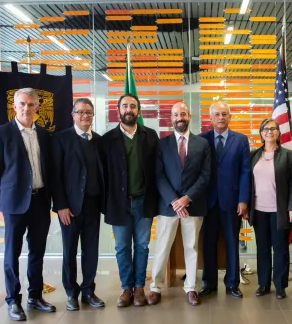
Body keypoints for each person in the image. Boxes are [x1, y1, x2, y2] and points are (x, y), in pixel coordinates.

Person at [0, 87, 56, 321]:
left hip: (40, 201)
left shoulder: (45, 135)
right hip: (14, 205)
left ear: (37, 107)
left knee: (37, 252)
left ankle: (35, 296)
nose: (27, 108)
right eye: (22, 104)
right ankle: (13, 300)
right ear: (15, 107)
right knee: (12, 253)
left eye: (31, 104)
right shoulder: (1, 133)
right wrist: (6, 197)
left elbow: (51, 170)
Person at [148, 102, 211, 306]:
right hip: (168, 206)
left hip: (193, 205)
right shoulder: (162, 144)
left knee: (191, 247)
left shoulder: (202, 144)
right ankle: (155, 286)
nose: (179, 117)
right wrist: (175, 200)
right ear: (171, 118)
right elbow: (158, 175)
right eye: (175, 115)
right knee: (162, 247)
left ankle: (191, 287)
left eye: (182, 113)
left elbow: (205, 175)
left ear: (189, 116)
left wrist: (187, 198)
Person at [101, 93, 159, 307]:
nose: (129, 109)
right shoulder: (107, 140)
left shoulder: (150, 136)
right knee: (122, 247)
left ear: (139, 111)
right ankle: (126, 288)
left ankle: (139, 289)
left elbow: (157, 170)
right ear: (118, 111)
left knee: (142, 246)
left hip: (144, 201)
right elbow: (103, 175)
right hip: (119, 203)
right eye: (125, 106)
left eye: (133, 106)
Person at [52, 98, 106, 311]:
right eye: (80, 112)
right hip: (70, 208)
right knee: (70, 251)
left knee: (91, 251)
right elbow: (55, 176)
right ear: (73, 115)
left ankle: (88, 291)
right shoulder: (61, 140)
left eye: (89, 112)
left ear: (93, 116)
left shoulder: (99, 141)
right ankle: (71, 293)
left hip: (93, 205)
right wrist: (61, 205)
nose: (85, 115)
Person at [199, 102, 250, 299]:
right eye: (217, 114)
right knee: (208, 243)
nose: (221, 117)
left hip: (232, 201)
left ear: (230, 117)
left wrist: (243, 199)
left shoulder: (241, 140)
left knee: (231, 243)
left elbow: (245, 171)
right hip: (208, 202)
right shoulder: (202, 139)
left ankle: (232, 284)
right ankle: (209, 283)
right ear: (211, 118)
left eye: (225, 114)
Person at [248, 118, 292, 299]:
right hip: (259, 210)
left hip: (280, 211)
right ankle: (263, 284)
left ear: (278, 133)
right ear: (261, 133)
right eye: (266, 129)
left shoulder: (288, 155)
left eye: (273, 129)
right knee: (262, 248)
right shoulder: (253, 155)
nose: (269, 132)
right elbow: (248, 184)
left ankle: (280, 286)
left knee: (280, 248)